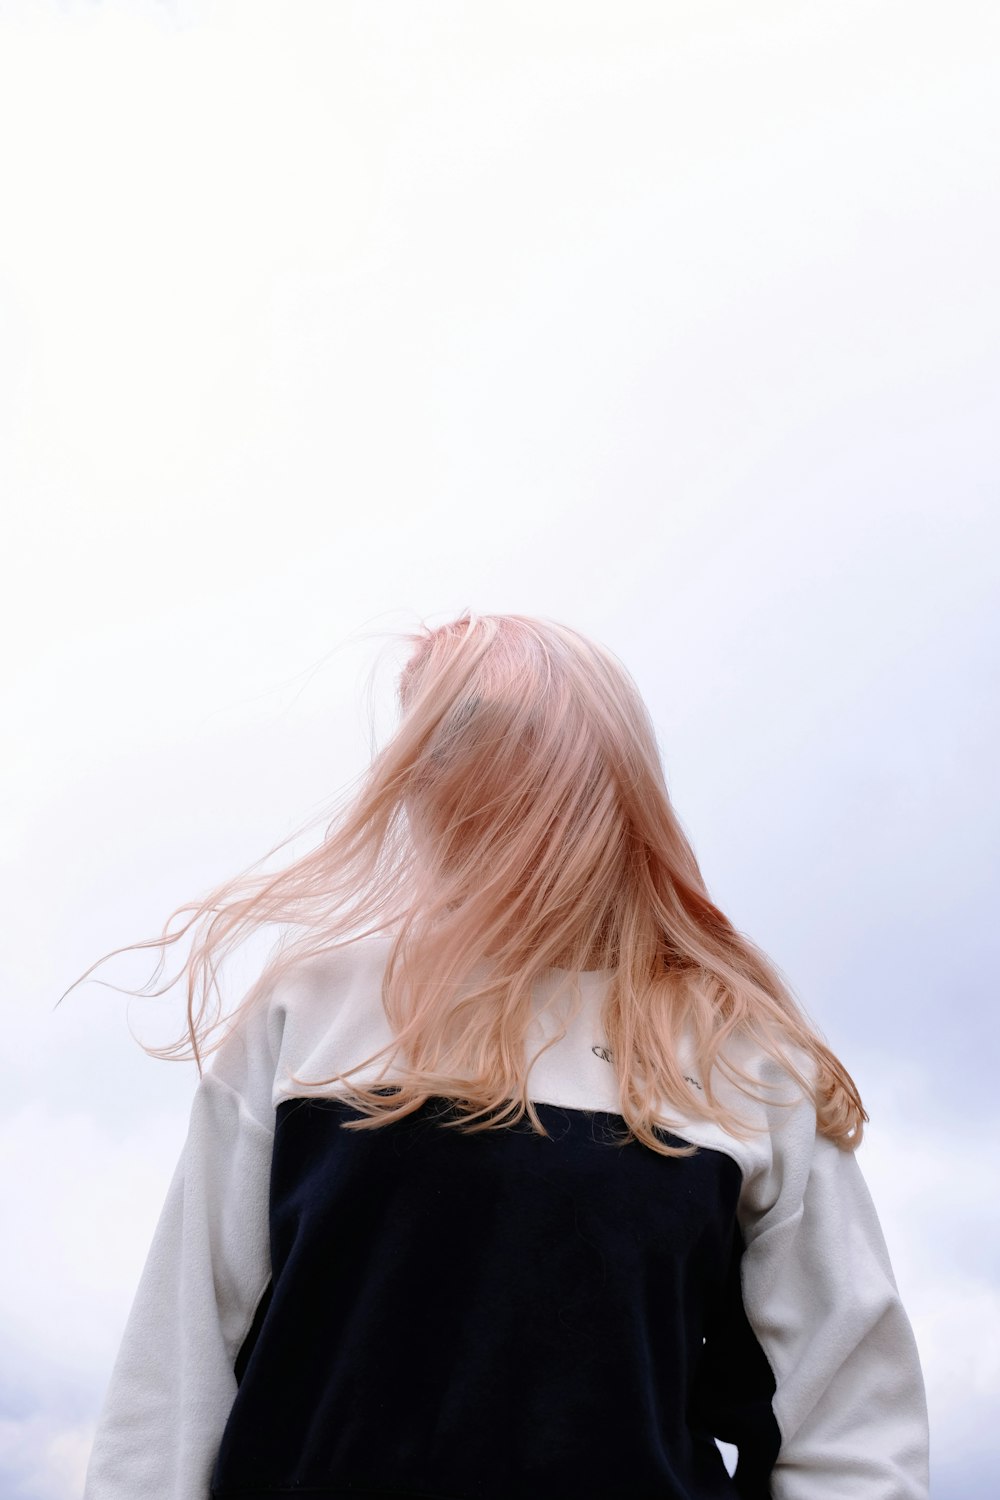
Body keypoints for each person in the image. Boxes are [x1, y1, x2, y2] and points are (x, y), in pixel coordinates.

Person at [75, 610, 930, 1500]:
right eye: (431, 738)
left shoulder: (739, 1056)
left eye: (478, 727)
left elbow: (851, 1422)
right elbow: (175, 1376)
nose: (439, 771)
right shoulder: (309, 1009)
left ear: (593, 763)